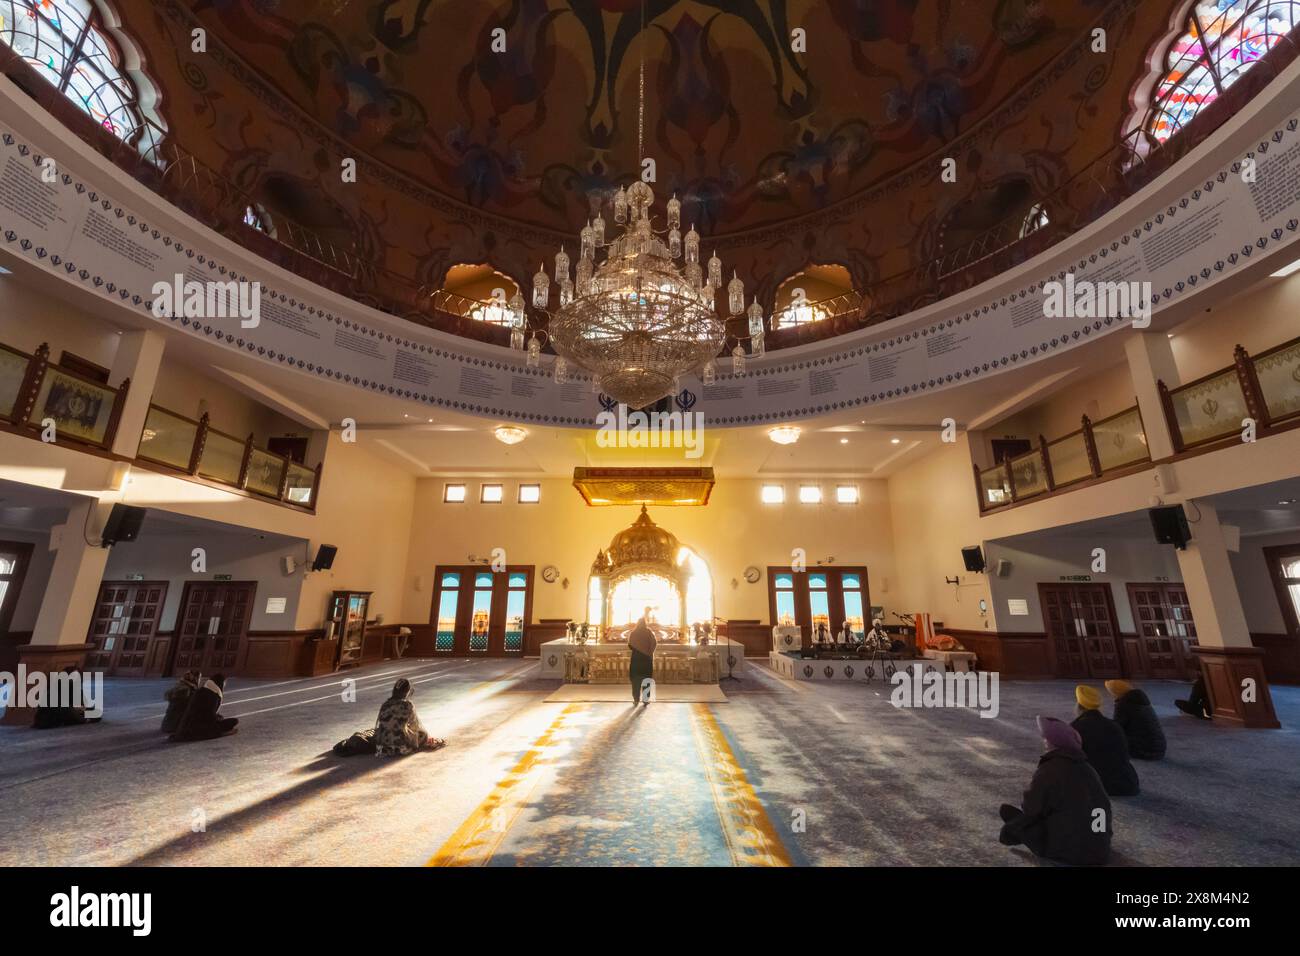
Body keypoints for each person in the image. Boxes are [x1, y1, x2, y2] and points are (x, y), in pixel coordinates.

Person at [998, 716, 1112, 866]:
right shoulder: (1089, 769)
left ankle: (1013, 836)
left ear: (1053, 743)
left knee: (1008, 812)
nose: (1044, 741)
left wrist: (1011, 830)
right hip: (1101, 849)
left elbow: (1030, 809)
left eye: (1046, 738)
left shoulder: (1050, 770)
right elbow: (1104, 807)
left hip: (1068, 852)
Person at [1071, 685, 1139, 796]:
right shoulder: (1115, 725)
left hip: (1096, 786)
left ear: (1078, 706)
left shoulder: (1075, 727)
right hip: (1127, 784)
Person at [374, 677, 444, 756]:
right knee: (423, 734)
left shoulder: (385, 704)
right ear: (407, 691)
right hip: (401, 746)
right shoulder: (408, 705)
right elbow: (415, 725)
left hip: (381, 747)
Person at [1106, 679, 1167, 760]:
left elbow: (1116, 728)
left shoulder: (1123, 705)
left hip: (1146, 751)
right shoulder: (1139, 699)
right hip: (1159, 748)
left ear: (1115, 693)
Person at [171, 673, 239, 742]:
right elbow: (209, 717)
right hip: (198, 728)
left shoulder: (202, 691)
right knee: (234, 721)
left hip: (184, 727)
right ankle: (221, 733)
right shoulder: (213, 695)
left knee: (222, 719)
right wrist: (218, 720)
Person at [32, 666, 101, 729]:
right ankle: (83, 720)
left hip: (71, 712)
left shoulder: (77, 689)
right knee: (68, 710)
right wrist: (75, 709)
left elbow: (83, 705)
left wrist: (82, 708)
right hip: (52, 717)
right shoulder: (55, 687)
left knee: (96, 712)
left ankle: (80, 719)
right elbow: (61, 706)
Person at [628, 609, 657, 705]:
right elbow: (654, 643)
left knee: (636, 680)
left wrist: (638, 649)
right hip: (646, 659)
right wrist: (649, 652)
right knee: (646, 679)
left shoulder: (634, 633)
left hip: (636, 659)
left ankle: (636, 699)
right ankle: (645, 700)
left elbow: (630, 645)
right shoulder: (649, 632)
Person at [161, 670, 200, 734]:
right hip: (175, 726)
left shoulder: (179, 686)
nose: (199, 680)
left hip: (166, 724)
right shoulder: (187, 689)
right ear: (194, 678)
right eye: (198, 678)